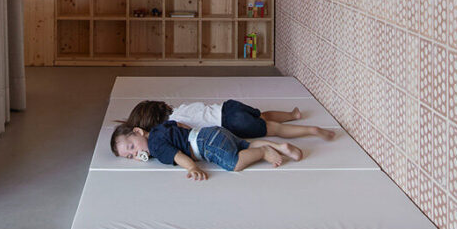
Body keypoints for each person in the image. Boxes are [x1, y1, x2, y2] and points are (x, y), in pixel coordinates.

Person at [110, 119, 301, 177]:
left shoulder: (156, 147)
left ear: (138, 131)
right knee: (244, 145)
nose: (136, 153)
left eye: (132, 146)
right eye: (130, 156)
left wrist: (192, 167)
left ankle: (263, 152)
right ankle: (280, 146)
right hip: (210, 132)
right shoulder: (159, 128)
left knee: (234, 163)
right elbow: (180, 125)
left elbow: (178, 155)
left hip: (206, 145)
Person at [121, 98, 336, 143]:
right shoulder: (181, 108)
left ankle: (312, 131)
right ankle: (292, 115)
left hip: (231, 125)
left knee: (274, 130)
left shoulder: (172, 126)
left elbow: (186, 131)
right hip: (229, 108)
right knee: (263, 115)